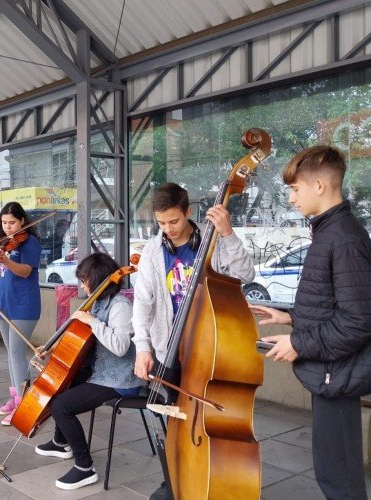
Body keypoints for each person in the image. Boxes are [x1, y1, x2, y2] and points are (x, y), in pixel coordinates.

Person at [250, 146, 371, 500]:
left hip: (337, 375)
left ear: (319, 186)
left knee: (338, 479)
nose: (291, 198)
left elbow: (359, 319)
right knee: (333, 471)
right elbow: (340, 305)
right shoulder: (333, 232)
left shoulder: (341, 238)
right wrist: (292, 317)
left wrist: (297, 343)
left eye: (295, 189)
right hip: (333, 373)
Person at [130, 182, 254, 499]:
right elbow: (142, 304)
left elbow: (245, 274)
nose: (168, 229)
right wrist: (142, 348)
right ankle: (172, 475)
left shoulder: (210, 242)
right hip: (167, 350)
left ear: (187, 212)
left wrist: (227, 234)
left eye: (173, 221)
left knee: (212, 420)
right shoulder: (152, 254)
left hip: (209, 347)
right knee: (168, 420)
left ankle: (214, 476)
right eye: (161, 223)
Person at [34, 253, 141, 490]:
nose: (82, 285)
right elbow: (82, 343)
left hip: (119, 378)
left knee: (61, 406)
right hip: (100, 370)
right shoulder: (101, 302)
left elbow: (121, 348)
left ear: (98, 278)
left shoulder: (120, 306)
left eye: (84, 280)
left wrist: (92, 321)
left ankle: (85, 468)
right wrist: (51, 349)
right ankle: (61, 442)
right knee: (62, 384)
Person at [0, 201, 42, 425]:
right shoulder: (3, 241)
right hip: (3, 305)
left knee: (16, 353)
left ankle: (24, 403)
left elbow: (25, 272)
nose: (8, 227)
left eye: (12, 222)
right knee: (10, 354)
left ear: (22, 221)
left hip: (24, 305)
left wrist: (6, 261)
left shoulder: (30, 242)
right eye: (4, 223)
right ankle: (15, 397)